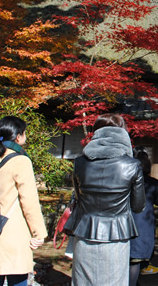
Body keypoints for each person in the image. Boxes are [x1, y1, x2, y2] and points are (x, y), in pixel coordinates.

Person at [64, 113, 146, 286]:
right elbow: (138, 206)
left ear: (95, 132)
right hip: (117, 233)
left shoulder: (79, 162)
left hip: (84, 231)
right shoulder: (132, 165)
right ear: (122, 133)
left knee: (83, 281)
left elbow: (79, 198)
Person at [0, 116, 47, 286]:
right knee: (17, 279)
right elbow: (29, 200)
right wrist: (39, 232)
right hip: (12, 232)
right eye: (24, 133)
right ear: (18, 137)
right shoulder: (20, 161)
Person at [129, 150, 158, 285]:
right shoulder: (153, 183)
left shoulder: (128, 181)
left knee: (130, 258)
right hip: (144, 223)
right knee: (136, 259)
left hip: (127, 222)